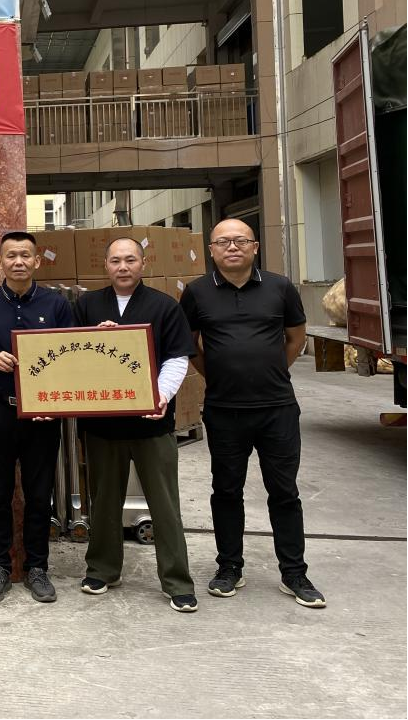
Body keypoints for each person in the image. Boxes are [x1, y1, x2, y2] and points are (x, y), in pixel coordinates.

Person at [179, 218, 325, 608]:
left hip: (277, 409)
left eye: (241, 240)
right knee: (226, 491)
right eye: (223, 241)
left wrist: (272, 371)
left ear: (255, 247)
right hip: (224, 410)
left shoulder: (280, 287)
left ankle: (294, 573)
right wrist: (219, 376)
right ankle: (229, 567)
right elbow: (190, 345)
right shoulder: (196, 292)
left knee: (284, 491)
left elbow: (296, 337)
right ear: (211, 250)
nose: (232, 247)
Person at [72, 237, 199, 612]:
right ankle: (102, 569)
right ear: (106, 266)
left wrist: (161, 396)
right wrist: (94, 340)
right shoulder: (87, 306)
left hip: (151, 425)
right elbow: (70, 354)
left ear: (143, 264)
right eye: (115, 261)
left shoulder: (164, 306)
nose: (123, 267)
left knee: (165, 505)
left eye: (130, 260)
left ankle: (177, 581)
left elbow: (176, 357)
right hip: (103, 424)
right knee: (103, 502)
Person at [0, 231, 72, 603]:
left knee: (39, 495)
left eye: (25, 255)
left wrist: (54, 401)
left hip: (43, 414)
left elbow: (72, 352)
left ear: (37, 261)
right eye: (11, 256)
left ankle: (37, 568)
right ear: (0, 262)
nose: (19, 261)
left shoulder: (56, 304)